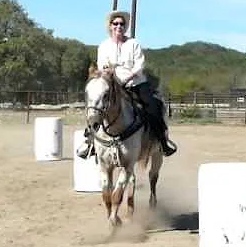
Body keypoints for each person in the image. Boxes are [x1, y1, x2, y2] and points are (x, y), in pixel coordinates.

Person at [76, 10, 177, 158]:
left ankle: (162, 141)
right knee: (97, 106)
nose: (119, 26)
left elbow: (139, 65)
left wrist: (128, 77)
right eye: (115, 23)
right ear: (110, 26)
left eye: (122, 24)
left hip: (136, 83)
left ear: (125, 27)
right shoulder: (103, 46)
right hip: (113, 84)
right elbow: (102, 67)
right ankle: (90, 141)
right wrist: (109, 75)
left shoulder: (133, 43)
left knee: (153, 106)